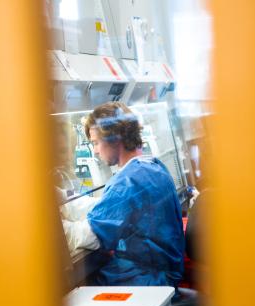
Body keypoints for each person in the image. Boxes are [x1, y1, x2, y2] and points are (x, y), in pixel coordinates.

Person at [62, 101, 184, 287]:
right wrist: (59, 197)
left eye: (96, 143)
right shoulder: (151, 167)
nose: (95, 150)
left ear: (114, 138)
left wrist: (52, 226)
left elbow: (90, 236)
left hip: (147, 281)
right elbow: (106, 208)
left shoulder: (130, 181)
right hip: (161, 273)